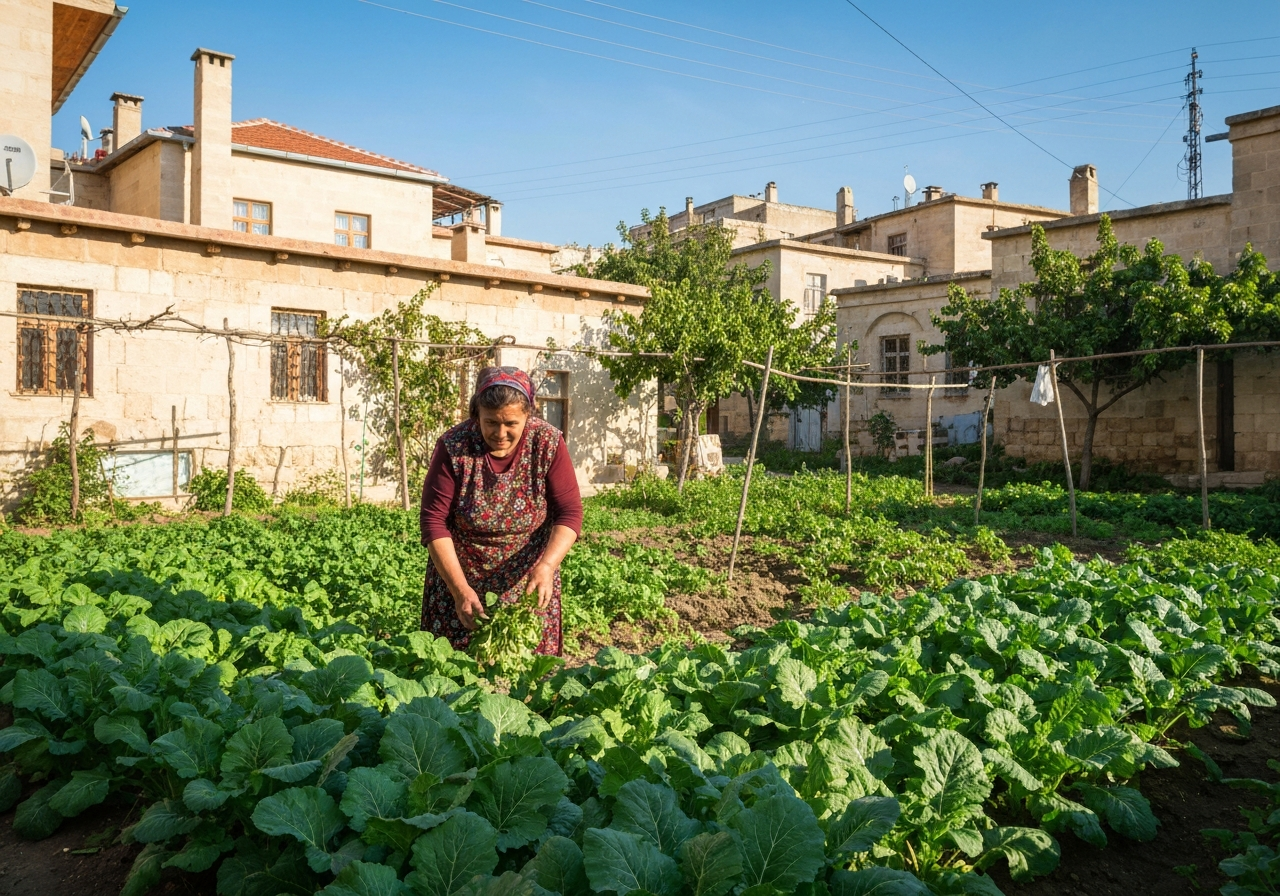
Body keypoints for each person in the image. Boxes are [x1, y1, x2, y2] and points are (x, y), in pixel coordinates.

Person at [419, 365, 582, 655]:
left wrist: (546, 566)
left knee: (528, 679)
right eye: (490, 422)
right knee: (454, 677)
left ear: (527, 416)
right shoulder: (454, 446)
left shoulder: (547, 443)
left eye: (511, 423)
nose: (500, 433)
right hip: (460, 578)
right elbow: (434, 521)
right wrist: (459, 589)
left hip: (528, 583)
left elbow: (569, 512)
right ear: (476, 415)